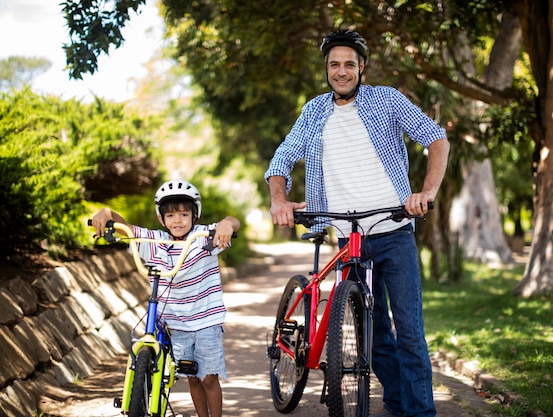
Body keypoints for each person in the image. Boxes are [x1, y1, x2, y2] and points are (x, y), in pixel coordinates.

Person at [264, 29, 449, 417]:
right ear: (327, 69)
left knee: (410, 333)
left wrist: (425, 193)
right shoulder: (314, 111)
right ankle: (398, 406)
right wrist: (279, 200)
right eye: (335, 64)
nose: (342, 71)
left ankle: (420, 413)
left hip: (394, 232)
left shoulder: (386, 99)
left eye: (350, 63)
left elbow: (436, 140)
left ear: (362, 67)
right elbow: (281, 159)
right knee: (374, 336)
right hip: (349, 241)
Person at [90, 180, 240, 417]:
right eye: (170, 215)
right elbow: (126, 227)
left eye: (183, 214)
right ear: (161, 219)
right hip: (175, 323)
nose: (177, 220)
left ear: (194, 215)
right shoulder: (154, 242)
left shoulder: (203, 238)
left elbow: (233, 222)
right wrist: (106, 213)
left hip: (205, 322)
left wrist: (225, 225)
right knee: (192, 376)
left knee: (208, 378)